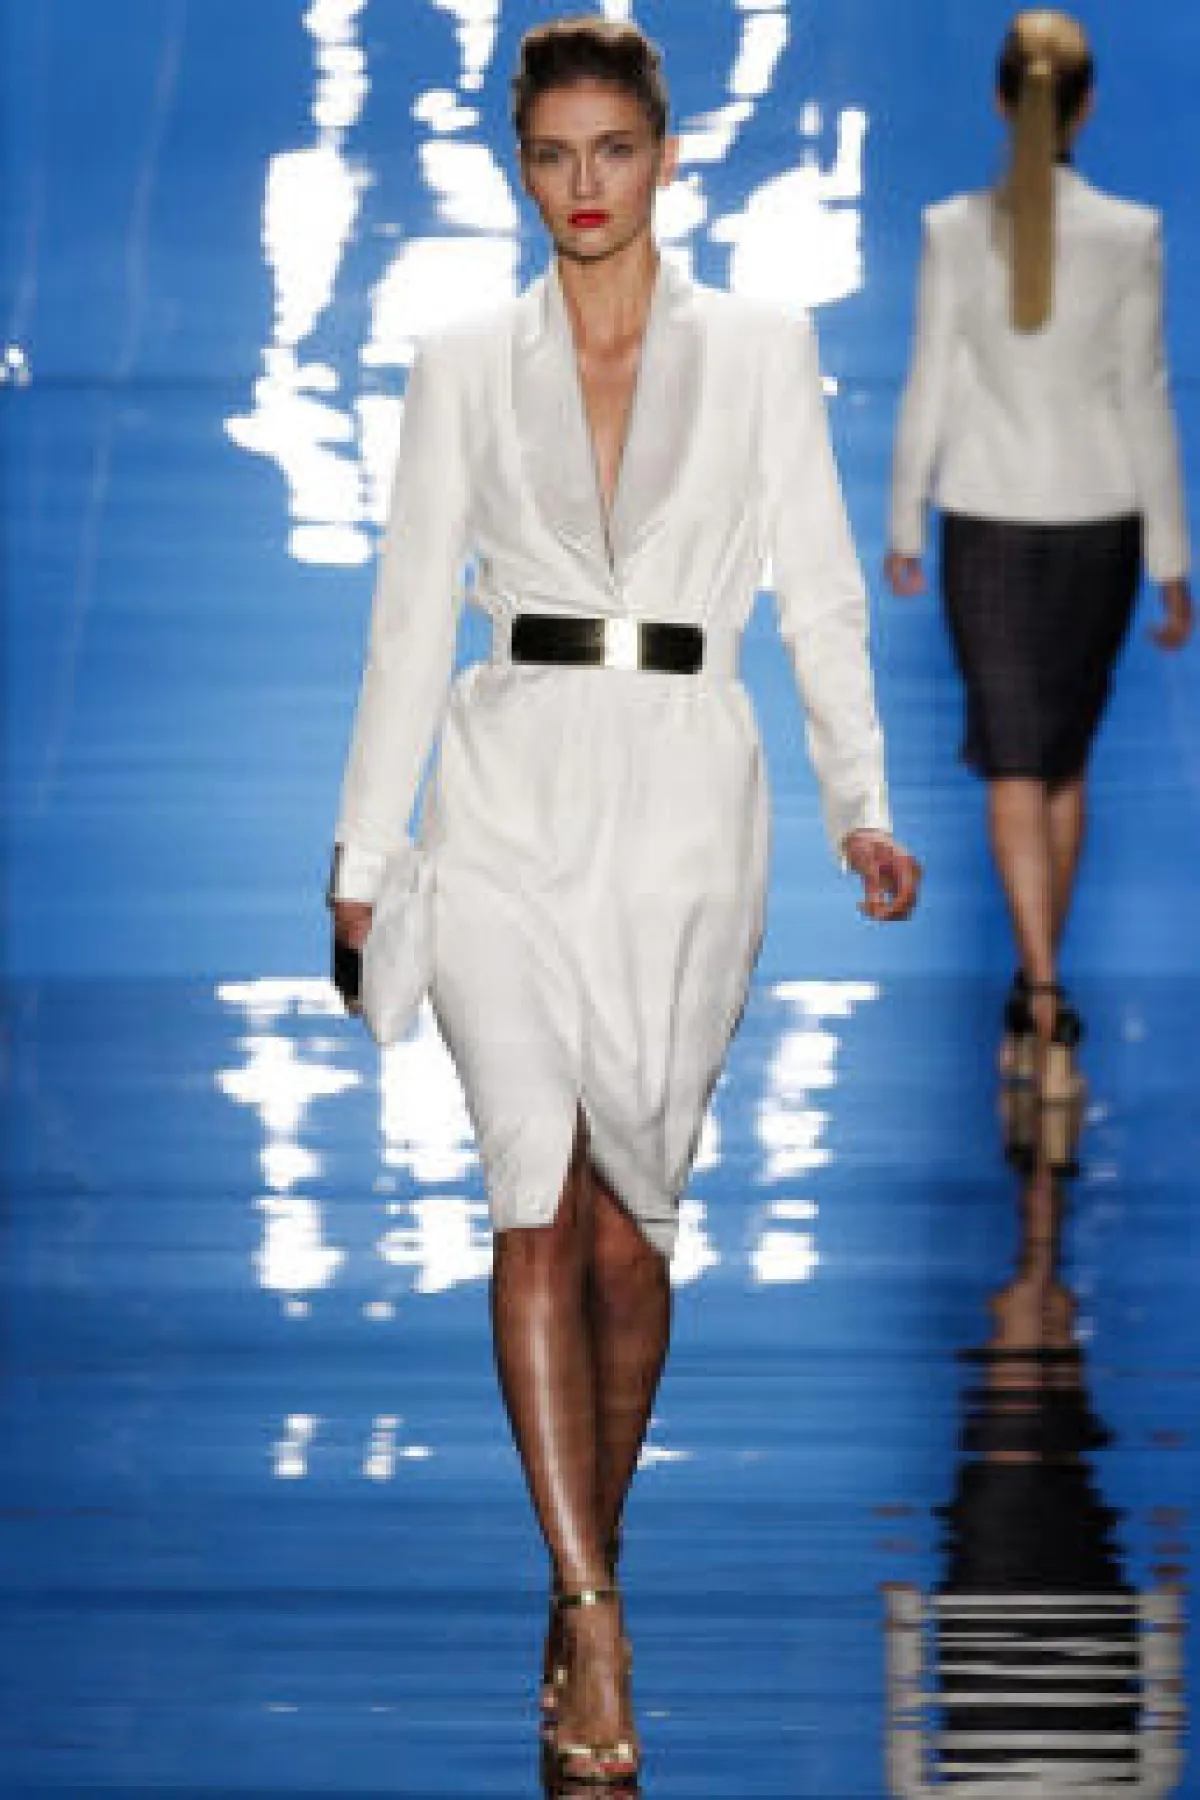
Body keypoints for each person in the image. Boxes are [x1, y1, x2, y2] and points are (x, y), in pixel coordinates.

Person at [330, 17, 919, 1784]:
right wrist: (363, 860)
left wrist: (861, 807)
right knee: (531, 1191)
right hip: (504, 789)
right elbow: (408, 611)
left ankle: (587, 1547)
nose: (583, 186)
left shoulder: (761, 350)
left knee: (628, 1225)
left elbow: (821, 592)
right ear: (519, 165)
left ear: (666, 152)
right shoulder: (460, 363)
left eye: (612, 150)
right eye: (551, 154)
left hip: (683, 807)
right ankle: (591, 1615)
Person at [886, 9, 1192, 1103]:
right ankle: (1044, 997)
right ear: (1087, 107)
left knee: (1019, 763)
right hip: (1101, 522)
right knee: (1059, 764)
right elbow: (1144, 397)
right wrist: (1170, 558)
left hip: (989, 519)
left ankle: (1041, 996)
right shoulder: (1132, 232)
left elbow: (931, 378)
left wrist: (904, 521)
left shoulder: (953, 230)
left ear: (999, 100)